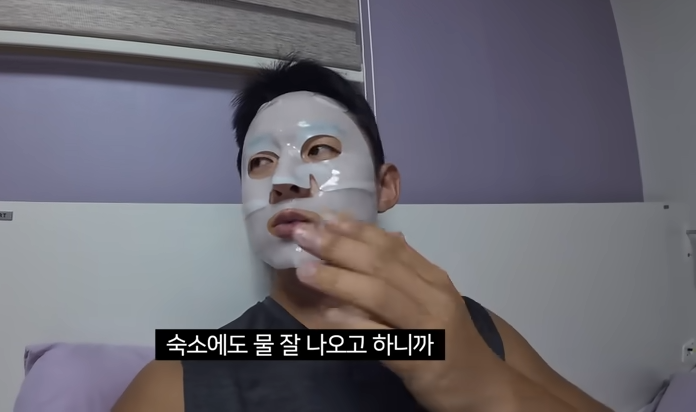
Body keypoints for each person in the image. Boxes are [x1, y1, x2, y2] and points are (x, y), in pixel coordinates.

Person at [113, 58, 612, 412]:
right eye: (261, 161)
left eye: (319, 149)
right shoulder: (179, 383)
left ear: (384, 187)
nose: (284, 180)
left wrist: (487, 389)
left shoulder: (470, 329)